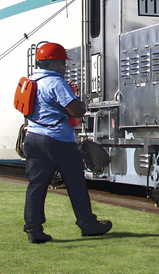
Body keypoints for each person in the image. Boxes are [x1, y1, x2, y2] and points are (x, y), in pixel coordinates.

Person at [22, 42, 112, 244]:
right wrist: (83, 103)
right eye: (63, 63)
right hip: (57, 140)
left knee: (36, 185)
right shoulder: (56, 83)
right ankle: (87, 224)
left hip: (33, 138)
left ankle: (33, 229)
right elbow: (76, 111)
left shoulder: (31, 81)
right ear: (53, 64)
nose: (65, 67)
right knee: (75, 183)